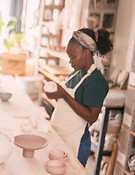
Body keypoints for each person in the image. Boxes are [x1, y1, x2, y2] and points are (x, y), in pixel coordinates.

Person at [45, 28, 113, 167]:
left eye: (73, 57)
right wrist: (56, 95)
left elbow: (91, 116)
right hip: (60, 136)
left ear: (87, 52)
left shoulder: (96, 81)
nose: (70, 61)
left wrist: (63, 94)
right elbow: (69, 103)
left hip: (75, 142)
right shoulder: (76, 74)